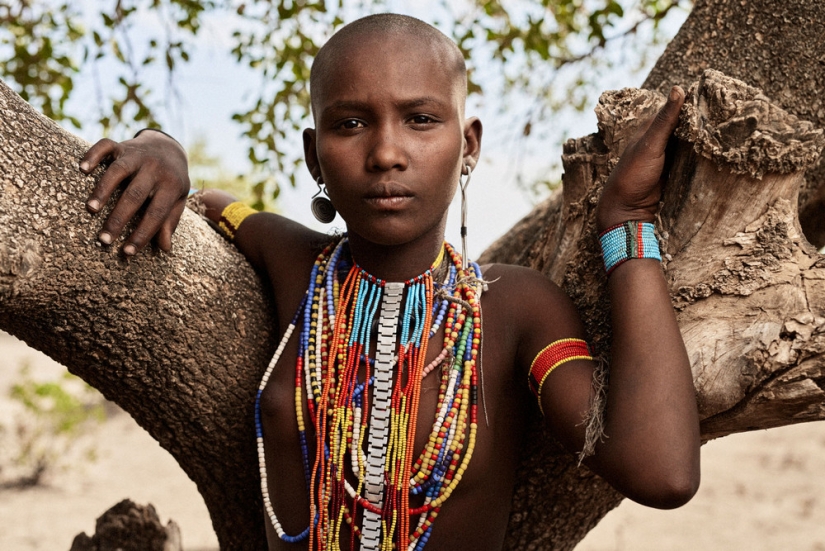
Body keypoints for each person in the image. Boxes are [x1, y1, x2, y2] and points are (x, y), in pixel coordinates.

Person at [78, 14, 700, 551]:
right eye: (349, 124)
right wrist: (160, 146)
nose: (385, 154)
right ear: (314, 155)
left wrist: (629, 224)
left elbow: (664, 472)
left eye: (421, 119)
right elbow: (209, 204)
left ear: (469, 143)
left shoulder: (514, 309)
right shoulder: (292, 260)